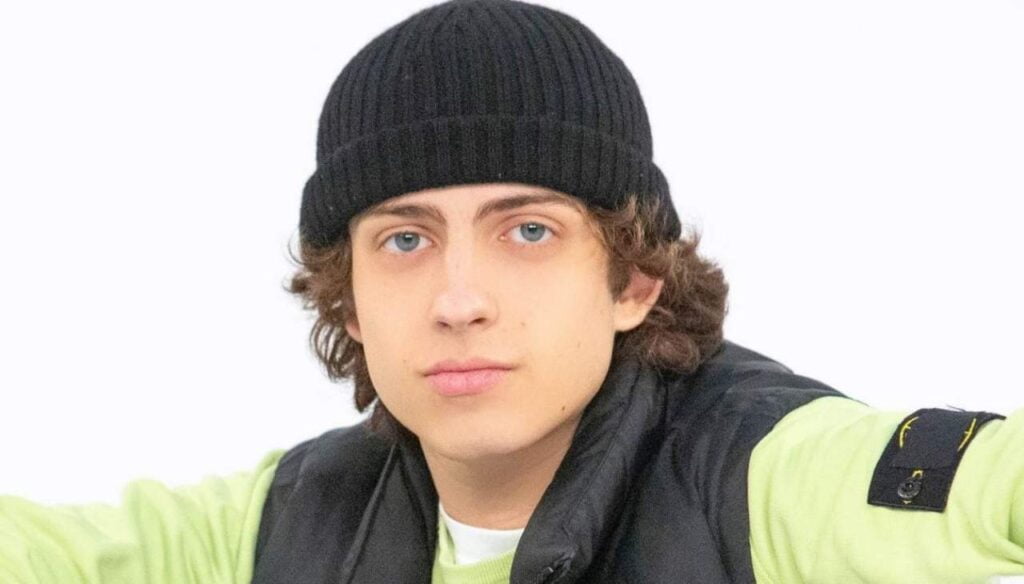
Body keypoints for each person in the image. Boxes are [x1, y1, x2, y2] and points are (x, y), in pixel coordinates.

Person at [1, 0, 1022, 582]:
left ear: (633, 277)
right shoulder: (287, 525)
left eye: (528, 230)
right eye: (405, 239)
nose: (459, 299)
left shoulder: (757, 476)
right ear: (348, 299)